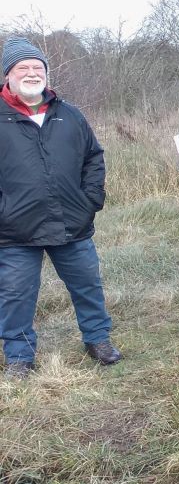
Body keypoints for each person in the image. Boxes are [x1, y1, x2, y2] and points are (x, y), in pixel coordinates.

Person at [0, 37, 121, 379]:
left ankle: (97, 339)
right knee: (15, 295)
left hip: (72, 222)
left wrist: (90, 200)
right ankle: (20, 356)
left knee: (87, 284)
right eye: (22, 67)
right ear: (8, 75)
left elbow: (94, 158)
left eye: (38, 67)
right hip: (14, 230)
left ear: (47, 75)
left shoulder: (69, 114)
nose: (31, 73)